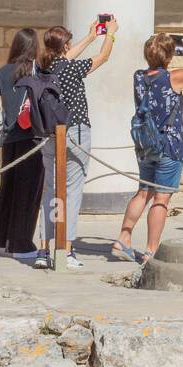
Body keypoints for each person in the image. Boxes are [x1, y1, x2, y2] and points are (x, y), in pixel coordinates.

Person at [112, 34, 183, 265]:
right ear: (170, 55)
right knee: (161, 199)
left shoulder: (138, 77)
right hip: (169, 145)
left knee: (143, 191)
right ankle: (151, 250)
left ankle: (123, 238)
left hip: (146, 144)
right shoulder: (175, 77)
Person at [34, 19, 116, 270]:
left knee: (50, 191)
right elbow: (102, 57)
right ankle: (66, 250)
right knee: (70, 192)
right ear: (65, 45)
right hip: (75, 132)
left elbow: (64, 56)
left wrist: (90, 36)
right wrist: (109, 35)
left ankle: (43, 248)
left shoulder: (42, 67)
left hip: (49, 135)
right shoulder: (71, 68)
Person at [0, 29, 43, 260]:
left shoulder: (3, 71)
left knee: (8, 188)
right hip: (31, 138)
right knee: (28, 192)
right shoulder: (36, 70)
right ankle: (20, 244)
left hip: (9, 138)